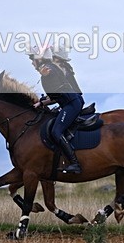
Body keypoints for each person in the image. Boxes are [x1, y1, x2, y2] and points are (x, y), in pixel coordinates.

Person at [30, 46, 84, 174]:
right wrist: (41, 103)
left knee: (56, 131)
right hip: (70, 103)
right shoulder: (49, 69)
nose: (32, 63)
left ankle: (75, 163)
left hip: (71, 104)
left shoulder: (49, 70)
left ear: (40, 59)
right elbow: (55, 96)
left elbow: (55, 92)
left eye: (33, 59)